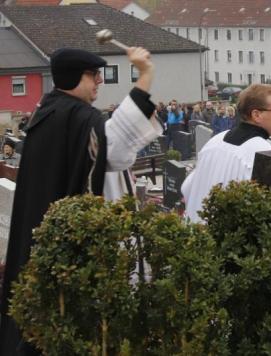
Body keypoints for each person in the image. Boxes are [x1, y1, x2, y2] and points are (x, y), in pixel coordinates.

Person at [0, 46, 162, 355]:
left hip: (39, 229)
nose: (99, 81)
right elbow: (113, 150)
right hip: (68, 249)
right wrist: (145, 75)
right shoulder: (80, 116)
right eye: (94, 74)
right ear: (76, 76)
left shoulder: (47, 110)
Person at [182, 84, 271, 223]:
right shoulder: (264, 152)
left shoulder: (215, 141)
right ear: (256, 115)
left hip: (194, 233)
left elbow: (187, 188)